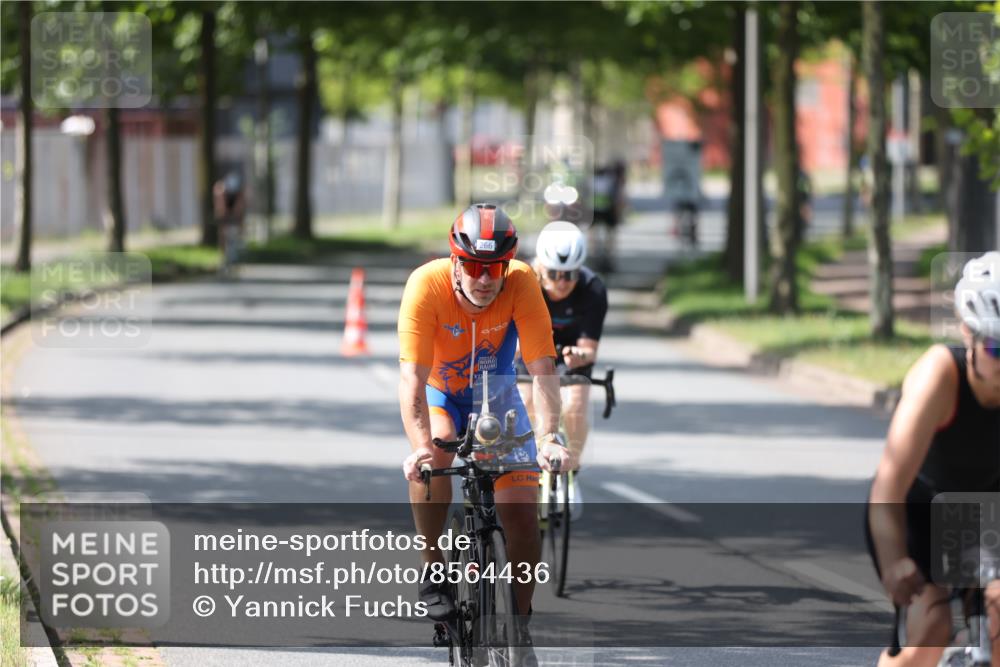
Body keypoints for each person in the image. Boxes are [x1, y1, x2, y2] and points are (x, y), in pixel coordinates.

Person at [398, 204, 573, 633]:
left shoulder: (522, 283)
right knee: (437, 450)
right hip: (442, 395)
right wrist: (419, 447)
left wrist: (550, 436)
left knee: (521, 514)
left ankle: (520, 626)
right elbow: (412, 380)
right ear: (456, 262)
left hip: (496, 399)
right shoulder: (425, 285)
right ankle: (434, 566)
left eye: (494, 267)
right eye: (474, 266)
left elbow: (543, 368)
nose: (484, 278)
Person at [866, 251, 1000, 666]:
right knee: (933, 629)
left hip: (987, 515)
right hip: (920, 516)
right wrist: (894, 563)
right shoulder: (938, 376)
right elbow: (887, 488)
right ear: (967, 333)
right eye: (997, 348)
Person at [518, 222, 608, 477]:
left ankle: (572, 466)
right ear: (539, 267)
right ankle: (531, 462)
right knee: (526, 401)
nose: (562, 281)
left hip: (570, 356)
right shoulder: (525, 283)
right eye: (554, 274)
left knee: (574, 406)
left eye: (570, 274)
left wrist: (581, 355)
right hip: (531, 350)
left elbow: (589, 349)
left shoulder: (593, 289)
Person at [590, 160, 626, 272]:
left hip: (594, 211)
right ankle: (609, 255)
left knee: (593, 234)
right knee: (610, 235)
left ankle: (594, 255)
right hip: (608, 211)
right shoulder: (611, 181)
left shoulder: (590, 181)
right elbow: (617, 199)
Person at [213, 171, 246, 274]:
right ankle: (223, 257)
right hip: (224, 210)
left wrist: (240, 226)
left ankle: (235, 255)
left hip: (235, 209)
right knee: (223, 232)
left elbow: (239, 209)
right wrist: (222, 219)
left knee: (235, 232)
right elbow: (220, 208)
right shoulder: (220, 189)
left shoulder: (239, 193)